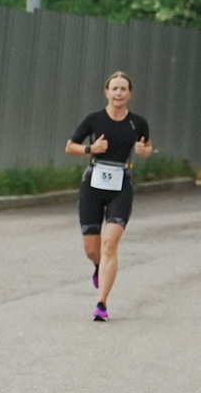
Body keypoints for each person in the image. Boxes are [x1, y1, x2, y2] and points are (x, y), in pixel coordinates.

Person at [66, 70, 153, 323]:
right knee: (92, 249)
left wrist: (142, 150)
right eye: (114, 88)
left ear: (130, 94)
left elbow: (147, 147)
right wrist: (90, 149)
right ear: (106, 92)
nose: (118, 93)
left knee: (110, 245)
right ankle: (97, 266)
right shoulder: (94, 120)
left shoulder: (138, 123)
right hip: (93, 184)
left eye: (123, 89)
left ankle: (101, 303)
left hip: (121, 183)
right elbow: (69, 146)